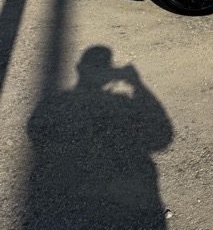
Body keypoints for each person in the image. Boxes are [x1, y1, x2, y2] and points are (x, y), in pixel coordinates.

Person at [25, 46, 173, 229]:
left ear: (79, 68)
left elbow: (35, 132)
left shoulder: (56, 102)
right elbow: (163, 137)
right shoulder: (121, 102)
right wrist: (137, 83)